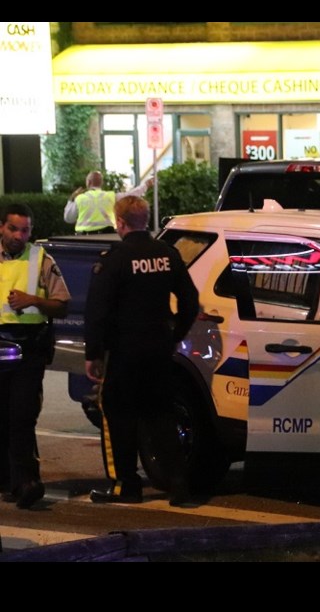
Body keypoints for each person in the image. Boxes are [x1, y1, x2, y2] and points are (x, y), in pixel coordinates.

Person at [84, 196, 200, 507]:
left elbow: (97, 311)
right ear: (145, 220)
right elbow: (190, 300)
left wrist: (93, 353)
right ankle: (179, 485)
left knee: (117, 415)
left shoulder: (115, 258)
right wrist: (176, 334)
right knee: (161, 415)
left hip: (123, 354)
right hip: (159, 351)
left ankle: (126, 485)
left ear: (119, 223)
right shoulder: (167, 254)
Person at [0, 203, 71, 510]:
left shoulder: (40, 259)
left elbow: (62, 304)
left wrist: (33, 300)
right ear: (1, 227)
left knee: (22, 414)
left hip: (28, 348)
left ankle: (27, 481)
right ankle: (8, 481)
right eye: (13, 228)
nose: (19, 235)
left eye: (25, 229)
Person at [63, 170, 155, 235]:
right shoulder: (111, 196)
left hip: (85, 237)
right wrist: (145, 185)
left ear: (88, 182)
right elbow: (131, 195)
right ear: (101, 182)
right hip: (107, 236)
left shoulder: (80, 198)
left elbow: (68, 218)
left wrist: (71, 199)